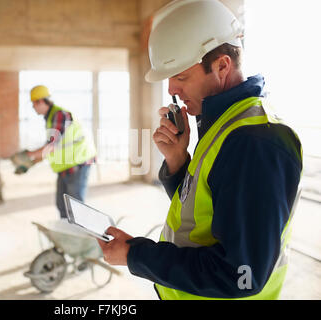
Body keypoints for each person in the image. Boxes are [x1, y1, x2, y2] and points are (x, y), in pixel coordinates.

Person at [97, 0, 303, 300]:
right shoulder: (225, 126)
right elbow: (208, 216)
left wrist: (136, 256)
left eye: (181, 77)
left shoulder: (254, 143)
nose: (171, 90)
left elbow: (240, 276)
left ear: (222, 66)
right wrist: (179, 161)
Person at [26, 85, 96, 219]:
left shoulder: (59, 115)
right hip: (66, 165)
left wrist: (28, 155)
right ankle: (68, 235)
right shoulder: (51, 117)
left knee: (76, 208)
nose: (33, 108)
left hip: (78, 163)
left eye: (33, 104)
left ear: (40, 101)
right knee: (62, 205)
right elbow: (56, 148)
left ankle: (79, 237)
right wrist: (33, 162)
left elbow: (51, 146)